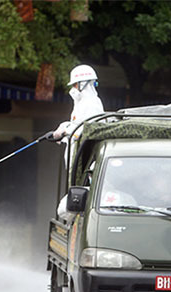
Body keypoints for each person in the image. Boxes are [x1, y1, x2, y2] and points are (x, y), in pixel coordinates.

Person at [54, 65, 106, 219]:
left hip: (84, 162)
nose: (73, 89)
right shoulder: (81, 104)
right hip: (75, 159)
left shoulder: (92, 103)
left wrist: (65, 130)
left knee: (67, 210)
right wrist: (63, 130)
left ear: (82, 84)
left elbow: (87, 130)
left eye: (75, 85)